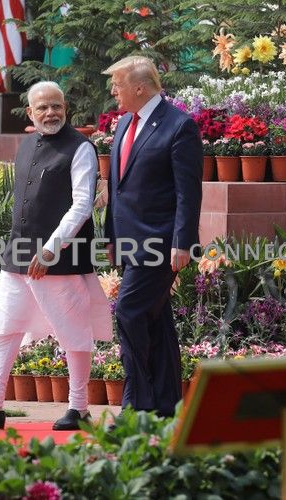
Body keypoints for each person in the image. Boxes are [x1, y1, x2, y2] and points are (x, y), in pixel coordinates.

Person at [0, 81, 113, 430]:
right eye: (43, 108)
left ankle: (79, 408)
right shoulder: (26, 144)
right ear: (30, 113)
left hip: (61, 258)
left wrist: (52, 248)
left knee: (73, 332)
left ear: (66, 108)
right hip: (18, 255)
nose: (51, 113)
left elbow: (82, 205)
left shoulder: (80, 148)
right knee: (4, 328)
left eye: (57, 106)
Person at [102, 56, 203, 418]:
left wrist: (182, 242)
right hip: (129, 242)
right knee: (156, 320)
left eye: (118, 84)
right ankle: (166, 405)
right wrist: (112, 236)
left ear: (140, 87)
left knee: (129, 312)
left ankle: (137, 405)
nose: (114, 92)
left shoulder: (179, 126)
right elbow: (117, 186)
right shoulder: (124, 124)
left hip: (160, 245)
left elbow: (187, 192)